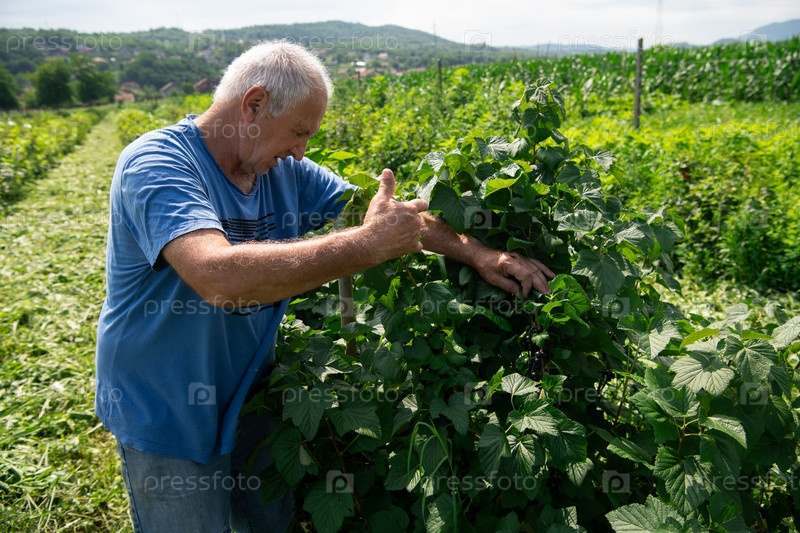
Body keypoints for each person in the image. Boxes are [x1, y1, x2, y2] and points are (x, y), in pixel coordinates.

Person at [95, 40, 554, 532]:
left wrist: (478, 253)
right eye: (298, 132)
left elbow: (387, 218)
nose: (301, 151)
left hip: (252, 396)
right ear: (253, 105)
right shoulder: (157, 164)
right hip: (166, 408)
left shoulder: (283, 169)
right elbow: (217, 276)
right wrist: (363, 246)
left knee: (270, 523)